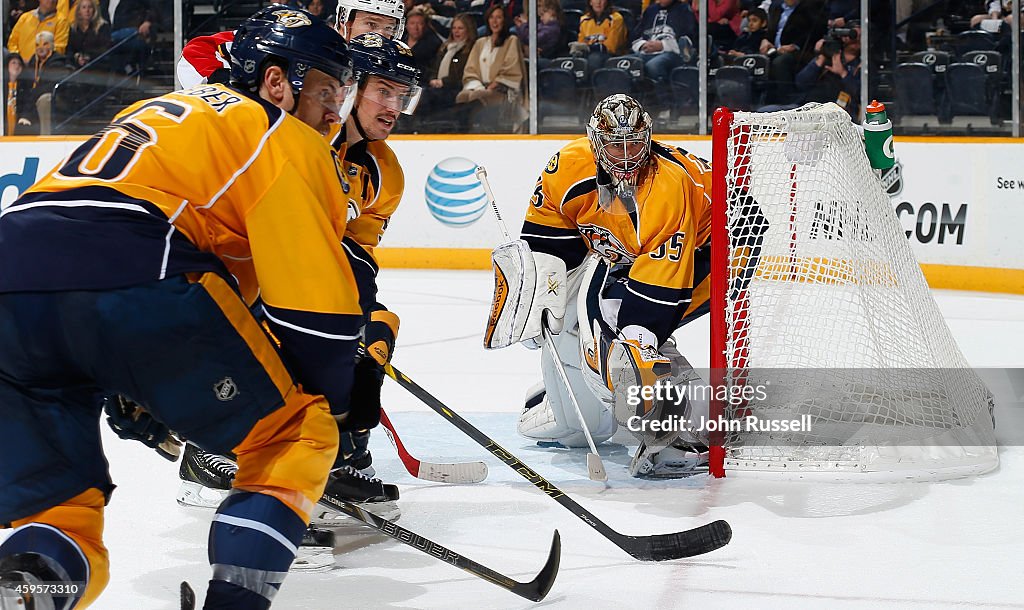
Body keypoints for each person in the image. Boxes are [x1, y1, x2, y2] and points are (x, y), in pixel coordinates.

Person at [0, 8, 359, 609]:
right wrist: (332, 393)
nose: (332, 112)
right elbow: (314, 314)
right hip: (135, 266)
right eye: (325, 89)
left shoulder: (156, 111)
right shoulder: (280, 134)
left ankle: (28, 590)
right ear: (276, 83)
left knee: (62, 510)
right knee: (295, 430)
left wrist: (136, 382)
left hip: (10, 282)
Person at [174, 13, 420, 562]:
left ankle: (339, 457)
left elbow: (354, 257)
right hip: (227, 276)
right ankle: (221, 458)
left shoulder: (384, 172)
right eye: (381, 90)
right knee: (288, 339)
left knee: (374, 328)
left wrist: (358, 333)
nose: (392, 109)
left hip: (283, 275)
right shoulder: (293, 133)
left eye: (402, 96)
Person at [484, 94, 714, 478]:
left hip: (726, 247)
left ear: (649, 139)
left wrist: (630, 352)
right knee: (579, 313)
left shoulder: (667, 190)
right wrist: (533, 298)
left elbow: (651, 307)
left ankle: (680, 433)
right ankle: (576, 399)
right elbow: (549, 248)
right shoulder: (567, 168)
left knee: (621, 330)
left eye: (634, 143)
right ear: (594, 142)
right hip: (640, 254)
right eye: (614, 144)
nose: (625, 155)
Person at [456, 4, 525, 128]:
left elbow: (511, 68)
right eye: (491, 17)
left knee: (478, 96)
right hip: (480, 87)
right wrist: (477, 86)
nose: (494, 21)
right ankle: (462, 133)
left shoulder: (511, 40)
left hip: (502, 90)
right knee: (463, 95)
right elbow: (470, 70)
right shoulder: (480, 43)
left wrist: (494, 84)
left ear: (504, 20)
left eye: (498, 17)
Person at [627, 0, 697, 108]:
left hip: (672, 53)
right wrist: (643, 45)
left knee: (654, 66)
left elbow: (688, 40)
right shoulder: (650, 10)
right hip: (646, 51)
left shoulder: (684, 10)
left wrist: (663, 45)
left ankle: (665, 106)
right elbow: (636, 35)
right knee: (625, 63)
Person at [420, 11, 477, 123]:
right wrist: (433, 79)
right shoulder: (445, 47)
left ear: (468, 30)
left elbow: (463, 75)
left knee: (425, 97)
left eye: (460, 28)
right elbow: (434, 68)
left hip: (454, 89)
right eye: (454, 28)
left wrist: (443, 82)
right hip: (437, 87)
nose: (456, 31)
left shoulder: (471, 50)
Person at [572, 0, 629, 72]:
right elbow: (581, 43)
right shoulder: (584, 19)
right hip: (590, 54)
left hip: (612, 56)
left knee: (594, 59)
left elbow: (612, 48)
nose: (598, 2)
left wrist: (588, 47)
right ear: (590, 2)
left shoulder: (616, 19)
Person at [67, 0, 112, 69]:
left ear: (94, 10)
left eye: (90, 7)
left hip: (98, 66)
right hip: (78, 66)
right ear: (79, 11)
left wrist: (88, 56)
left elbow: (105, 49)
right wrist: (78, 57)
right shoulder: (74, 28)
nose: (87, 10)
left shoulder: (102, 26)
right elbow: (70, 50)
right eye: (84, 7)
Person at [403, 6, 442, 82]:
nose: (416, 27)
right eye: (412, 23)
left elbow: (431, 71)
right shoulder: (399, 41)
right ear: (406, 26)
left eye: (420, 24)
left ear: (426, 26)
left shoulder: (433, 44)